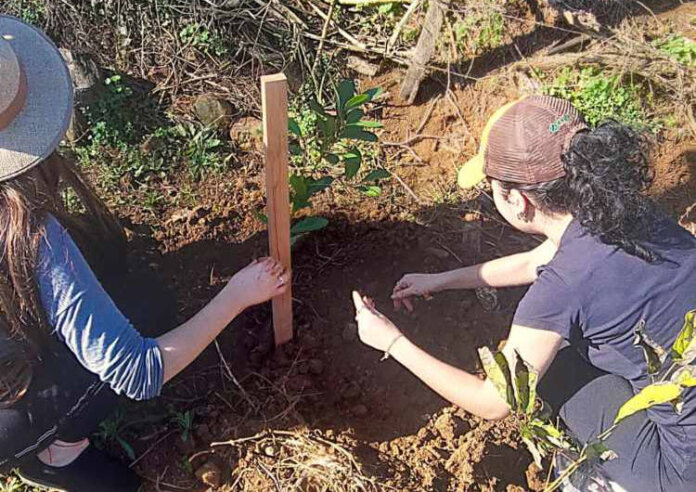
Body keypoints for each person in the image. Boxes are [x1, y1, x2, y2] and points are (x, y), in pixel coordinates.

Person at [0, 15, 289, 491]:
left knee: (137, 291)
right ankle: (54, 452)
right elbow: (137, 370)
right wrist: (238, 294)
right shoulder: (33, 236)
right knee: (147, 308)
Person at [352, 95, 696, 491]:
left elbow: (494, 402)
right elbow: (538, 260)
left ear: (517, 199)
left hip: (680, 472)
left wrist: (391, 340)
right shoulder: (625, 212)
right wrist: (440, 280)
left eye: (493, 189)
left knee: (553, 371)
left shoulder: (561, 290)